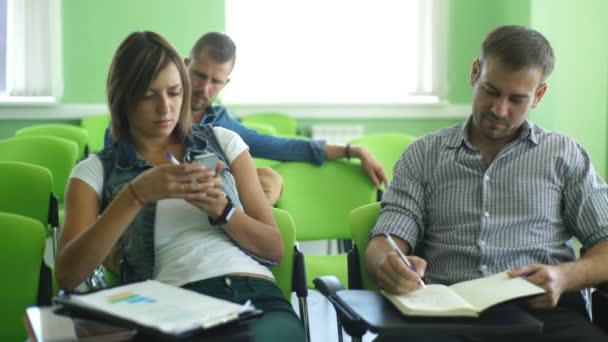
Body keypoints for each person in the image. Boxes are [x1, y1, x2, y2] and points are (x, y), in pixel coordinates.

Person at [55, 31, 306, 341]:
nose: (165, 109)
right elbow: (68, 275)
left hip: (254, 295)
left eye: (174, 93)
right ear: (124, 98)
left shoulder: (224, 142)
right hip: (168, 306)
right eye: (149, 96)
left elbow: (275, 250)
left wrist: (223, 210)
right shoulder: (93, 172)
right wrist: (135, 195)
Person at [365, 25, 608, 341]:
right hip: (444, 314)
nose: (499, 109)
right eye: (491, 91)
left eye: (516, 99)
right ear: (475, 72)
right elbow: (386, 241)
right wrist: (387, 264)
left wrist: (564, 276)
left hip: (545, 316)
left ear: (538, 96)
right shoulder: (424, 155)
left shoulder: (565, 155)